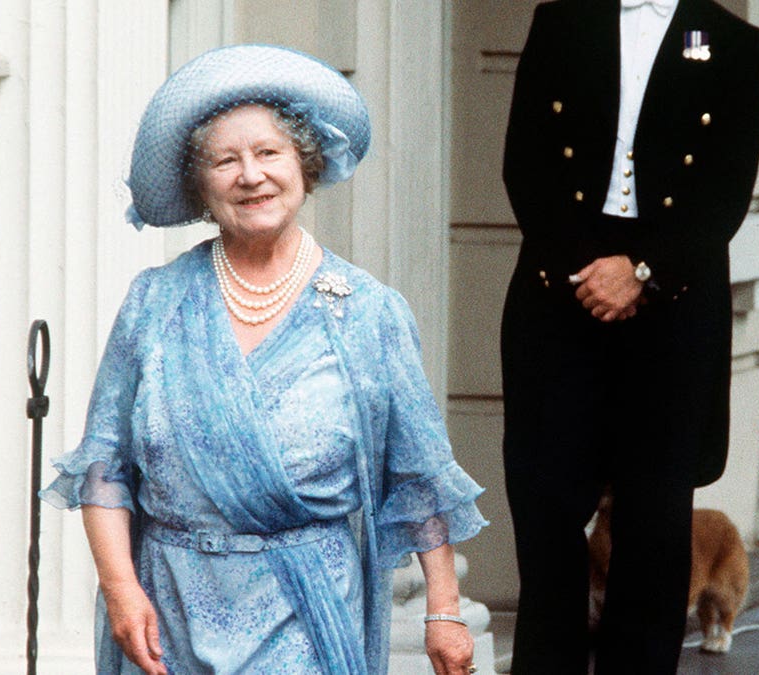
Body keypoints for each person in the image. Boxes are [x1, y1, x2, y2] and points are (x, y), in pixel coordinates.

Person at [40, 44, 487, 675]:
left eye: (270, 153)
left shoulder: (369, 312)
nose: (250, 176)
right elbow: (104, 466)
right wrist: (120, 589)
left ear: (306, 166)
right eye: (225, 161)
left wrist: (443, 608)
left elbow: (416, 473)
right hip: (169, 612)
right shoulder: (155, 301)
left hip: (306, 607)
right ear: (201, 186)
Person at [500, 0, 759, 671]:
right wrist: (588, 272)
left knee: (653, 537)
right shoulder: (560, 21)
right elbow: (525, 165)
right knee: (549, 525)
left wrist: (644, 272)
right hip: (560, 295)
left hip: (672, 306)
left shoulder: (731, 41)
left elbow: (725, 190)